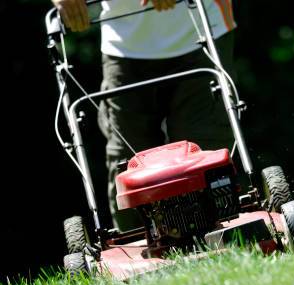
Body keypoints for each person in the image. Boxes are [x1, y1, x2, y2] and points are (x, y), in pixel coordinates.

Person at [51, 0, 236, 231]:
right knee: (127, 162)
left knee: (205, 149)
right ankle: (137, 247)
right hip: (123, 45)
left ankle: (227, 231)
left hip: (201, 28)